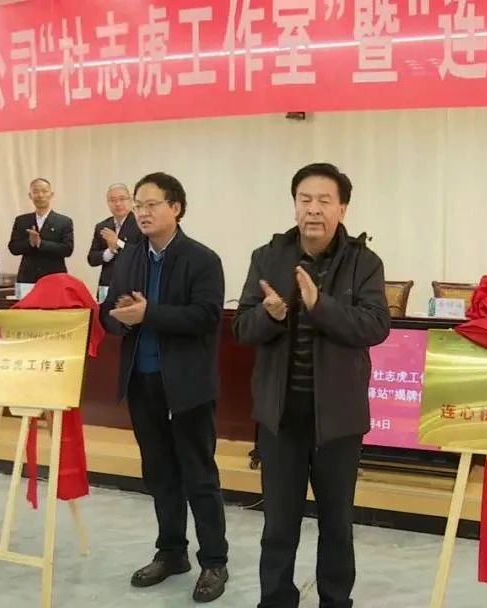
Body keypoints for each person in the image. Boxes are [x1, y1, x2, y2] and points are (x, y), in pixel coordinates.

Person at [233, 162, 391, 608]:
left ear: (343, 208)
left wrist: (320, 305)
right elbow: (242, 328)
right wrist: (270, 315)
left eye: (324, 200)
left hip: (337, 420)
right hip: (280, 417)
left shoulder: (363, 263)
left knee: (336, 524)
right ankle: (275, 600)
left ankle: (335, 601)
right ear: (294, 206)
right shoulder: (268, 257)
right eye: (305, 200)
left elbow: (375, 326)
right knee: (278, 525)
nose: (314, 209)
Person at [99, 172, 229, 602]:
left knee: (198, 475)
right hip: (141, 381)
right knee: (159, 473)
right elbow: (107, 310)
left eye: (151, 204)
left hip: (187, 386)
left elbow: (207, 316)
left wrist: (149, 314)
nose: (143, 212)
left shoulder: (202, 259)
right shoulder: (129, 258)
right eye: (138, 205)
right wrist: (118, 319)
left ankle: (214, 560)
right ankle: (171, 552)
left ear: (176, 207)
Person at [8, 177, 74, 285]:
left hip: (55, 277)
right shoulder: (21, 220)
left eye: (44, 191)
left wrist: (41, 243)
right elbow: (13, 248)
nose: (40, 195)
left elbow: (67, 250)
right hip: (27, 277)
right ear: (30, 195)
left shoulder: (64, 221)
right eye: (35, 192)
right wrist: (30, 243)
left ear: (51, 195)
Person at [86, 183, 140, 301]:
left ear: (131, 200)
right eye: (113, 200)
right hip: (106, 284)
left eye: (122, 199)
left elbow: (142, 254)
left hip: (132, 286)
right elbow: (92, 259)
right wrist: (109, 251)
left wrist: (118, 243)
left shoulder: (140, 223)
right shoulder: (102, 226)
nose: (118, 204)